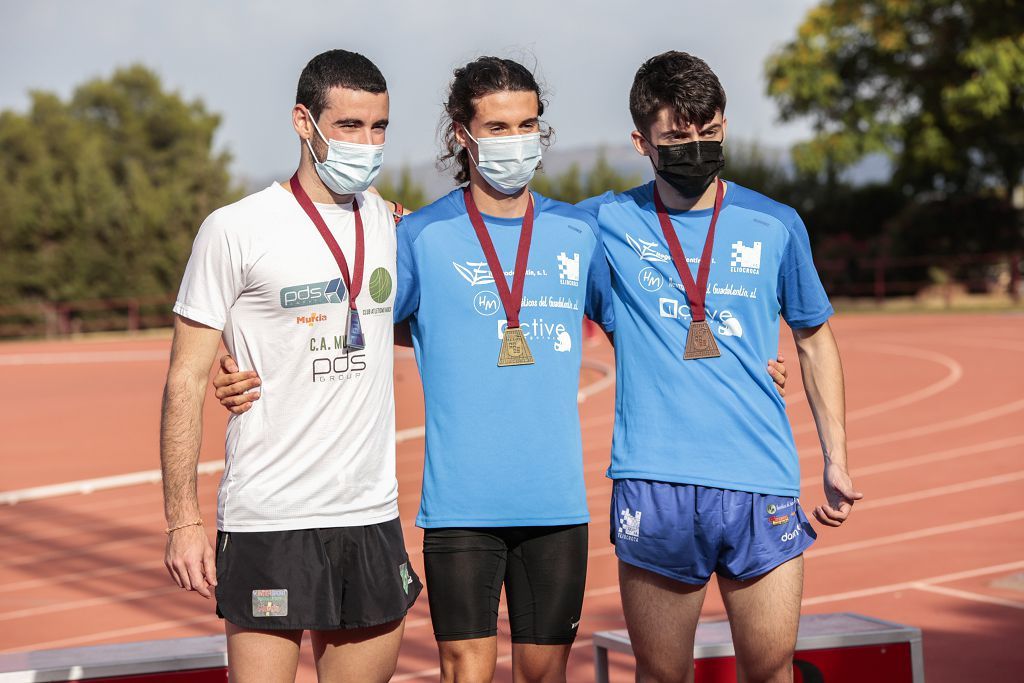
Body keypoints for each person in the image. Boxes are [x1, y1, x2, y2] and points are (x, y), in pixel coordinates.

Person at [211, 55, 790, 683]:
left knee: (546, 674)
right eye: (498, 127)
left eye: (528, 125)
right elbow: (363, 319)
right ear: (464, 133)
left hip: (556, 504)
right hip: (460, 505)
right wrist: (238, 355)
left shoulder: (579, 231)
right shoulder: (421, 235)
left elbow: (650, 322)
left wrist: (740, 368)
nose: (516, 141)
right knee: (466, 670)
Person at [577, 51, 863, 683]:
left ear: (724, 125)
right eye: (677, 138)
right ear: (641, 141)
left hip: (760, 476)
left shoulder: (776, 223)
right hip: (656, 479)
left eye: (708, 132)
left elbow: (814, 340)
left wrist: (835, 457)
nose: (697, 147)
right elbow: (512, 239)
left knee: (770, 669)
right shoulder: (602, 225)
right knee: (662, 674)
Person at [159, 49, 420, 683]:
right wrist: (183, 520)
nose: (367, 142)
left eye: (379, 127)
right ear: (304, 122)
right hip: (268, 517)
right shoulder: (235, 229)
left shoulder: (394, 226)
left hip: (367, 513)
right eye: (350, 126)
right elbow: (186, 380)